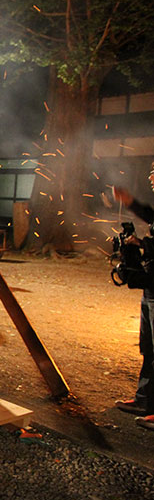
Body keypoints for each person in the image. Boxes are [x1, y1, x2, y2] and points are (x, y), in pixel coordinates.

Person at [113, 179, 154, 431]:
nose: (151, 178)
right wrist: (131, 203)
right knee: (149, 348)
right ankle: (145, 401)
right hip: (151, 285)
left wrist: (143, 244)